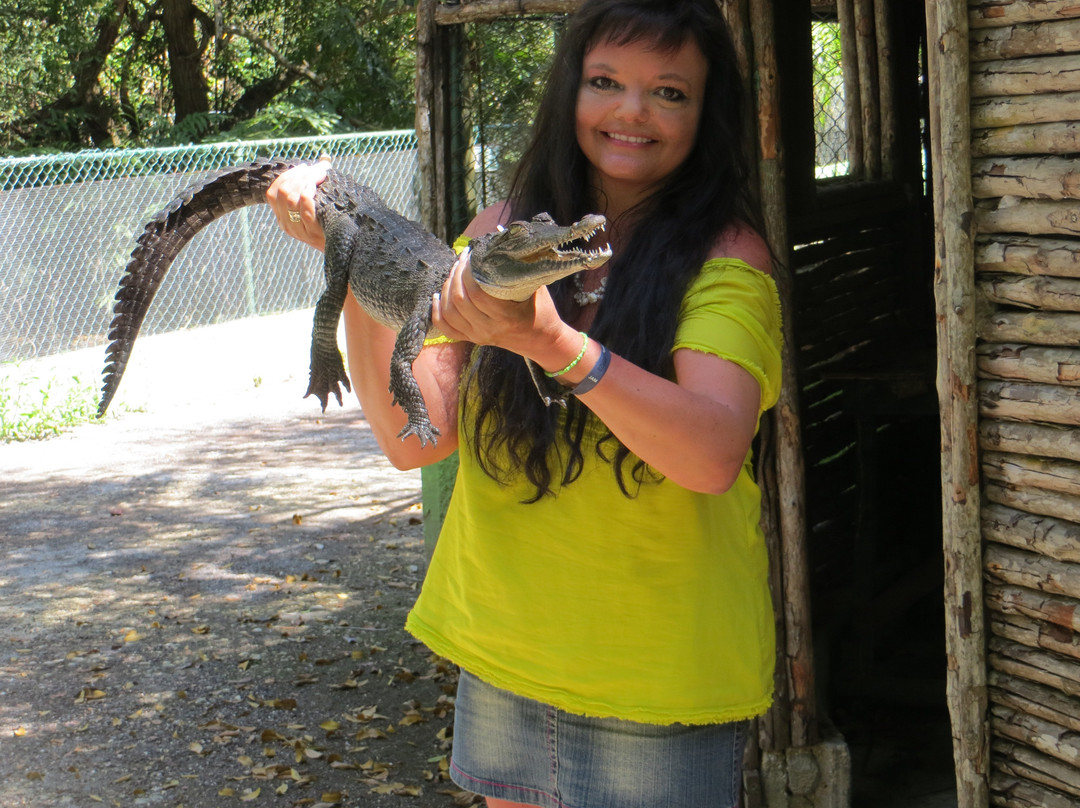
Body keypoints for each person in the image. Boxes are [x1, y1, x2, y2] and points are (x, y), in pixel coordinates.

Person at [267, 1, 782, 805]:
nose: (631, 111)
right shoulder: (496, 233)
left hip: (655, 677)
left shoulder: (727, 257)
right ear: (569, 90)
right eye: (605, 81)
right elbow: (416, 437)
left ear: (705, 111)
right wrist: (353, 254)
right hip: (503, 652)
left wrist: (553, 343)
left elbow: (713, 454)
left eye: (668, 92)